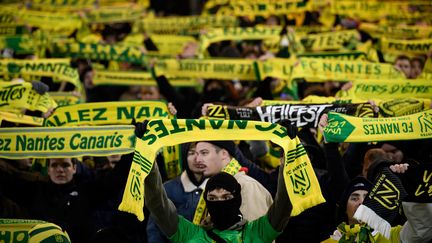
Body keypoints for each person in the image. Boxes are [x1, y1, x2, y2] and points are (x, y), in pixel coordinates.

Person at [144, 141, 294, 242]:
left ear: (237, 199)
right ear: (206, 201)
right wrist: (147, 155)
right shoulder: (193, 234)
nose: (220, 203)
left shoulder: (255, 232)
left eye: (226, 197)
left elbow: (283, 206)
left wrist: (289, 150)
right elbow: (158, 205)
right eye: (213, 199)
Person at [0, 155, 133, 243]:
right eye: (54, 165)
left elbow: (116, 178)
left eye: (65, 165)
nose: (60, 170)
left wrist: (135, 144)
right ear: (48, 170)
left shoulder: (87, 192)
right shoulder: (34, 192)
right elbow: (6, 181)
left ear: (74, 168)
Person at [195, 140, 273, 222]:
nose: (197, 159)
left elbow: (254, 233)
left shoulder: (247, 186)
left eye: (204, 153)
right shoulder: (214, 185)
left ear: (224, 154)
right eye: (197, 154)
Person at [146, 142, 208, 242]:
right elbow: (155, 227)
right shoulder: (168, 188)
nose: (198, 159)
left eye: (204, 153)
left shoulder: (217, 189)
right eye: (191, 153)